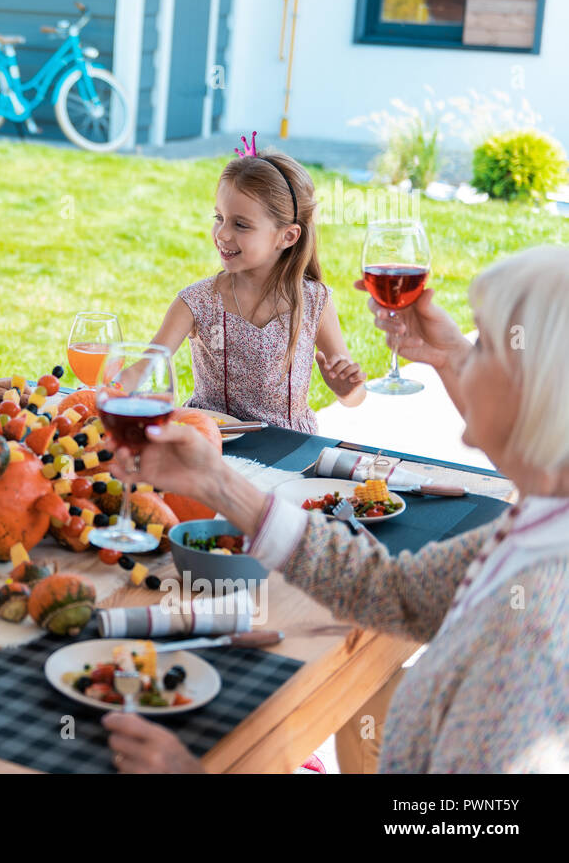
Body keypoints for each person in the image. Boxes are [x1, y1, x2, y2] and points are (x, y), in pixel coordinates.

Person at [103, 245, 569, 773]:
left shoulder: (530, 629)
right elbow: (390, 592)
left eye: (481, 348)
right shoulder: (540, 525)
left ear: (538, 392)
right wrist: (217, 483)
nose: (463, 360)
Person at [150, 135, 365, 431]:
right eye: (219, 217)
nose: (222, 234)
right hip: (211, 444)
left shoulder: (313, 302)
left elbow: (355, 398)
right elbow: (145, 367)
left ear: (287, 236)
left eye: (241, 224)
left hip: (290, 450)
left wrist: (346, 390)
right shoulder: (196, 302)